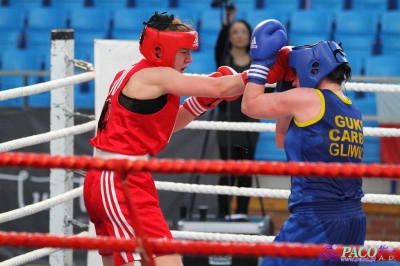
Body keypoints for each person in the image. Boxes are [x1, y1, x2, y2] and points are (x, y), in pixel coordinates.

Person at [83, 11, 246, 266]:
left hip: (110, 177)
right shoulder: (159, 76)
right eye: (184, 52)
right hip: (121, 180)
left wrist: (199, 105)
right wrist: (264, 72)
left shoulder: (136, 74)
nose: (190, 60)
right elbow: (221, 88)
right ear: (163, 49)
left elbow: (166, 126)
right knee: (167, 260)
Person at [241, 19, 366, 265]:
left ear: (313, 69)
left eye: (296, 75)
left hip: (316, 220)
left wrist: (261, 64)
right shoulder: (353, 109)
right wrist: (284, 87)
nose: (294, 81)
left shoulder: (308, 98)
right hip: (354, 221)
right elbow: (282, 140)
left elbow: (249, 105)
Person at [214, 6, 265, 219]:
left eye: (243, 31)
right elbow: (218, 46)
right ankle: (224, 214)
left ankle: (242, 214)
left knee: (245, 171)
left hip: (250, 122)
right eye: (235, 32)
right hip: (226, 122)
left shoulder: (258, 62)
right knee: (227, 170)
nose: (239, 35)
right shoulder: (223, 59)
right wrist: (227, 22)